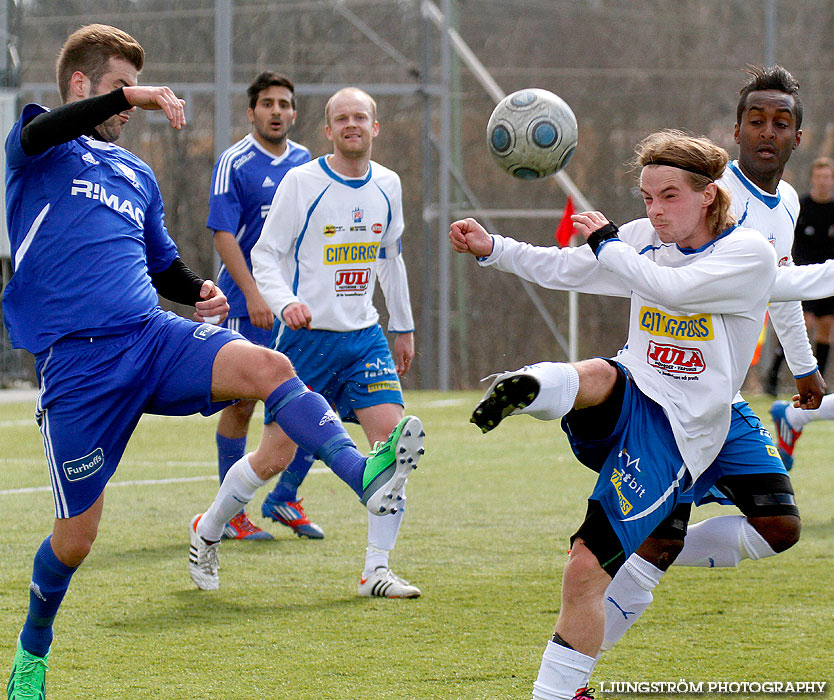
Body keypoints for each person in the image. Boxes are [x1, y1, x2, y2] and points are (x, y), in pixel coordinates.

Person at [3, 25, 424, 699]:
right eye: (116, 89)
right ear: (82, 86)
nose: (125, 106)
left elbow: (161, 263)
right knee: (75, 542)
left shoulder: (135, 174)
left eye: (131, 91)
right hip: (78, 368)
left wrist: (196, 288)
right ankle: (33, 650)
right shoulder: (35, 147)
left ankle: (363, 474)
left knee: (269, 372)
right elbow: (54, 125)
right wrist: (134, 97)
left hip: (150, 335)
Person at [451, 130, 778, 700]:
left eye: (669, 196)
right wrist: (493, 248)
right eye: (647, 198)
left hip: (680, 433)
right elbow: (569, 269)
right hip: (635, 385)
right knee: (602, 374)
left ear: (708, 194)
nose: (654, 211)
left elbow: (671, 290)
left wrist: (607, 241)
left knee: (584, 568)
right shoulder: (639, 240)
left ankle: (557, 690)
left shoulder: (746, 253)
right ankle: (532, 384)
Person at [251, 86, 421, 598]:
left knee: (394, 452)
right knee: (273, 459)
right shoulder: (302, 183)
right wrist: (285, 303)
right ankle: (210, 526)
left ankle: (377, 569)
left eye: (361, 117)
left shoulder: (388, 184)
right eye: (342, 118)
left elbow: (391, 257)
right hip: (306, 341)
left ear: (376, 127)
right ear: (327, 130)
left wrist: (403, 324)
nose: (352, 125)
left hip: (365, 337)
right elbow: (266, 253)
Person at [207, 71, 321, 541]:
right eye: (268, 103)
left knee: (310, 401)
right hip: (244, 303)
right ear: (251, 111)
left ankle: (284, 497)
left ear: (295, 113)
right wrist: (253, 294)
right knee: (242, 406)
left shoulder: (305, 162)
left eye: (285, 104)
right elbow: (223, 234)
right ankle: (229, 511)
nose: (277, 111)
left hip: (293, 304)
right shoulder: (234, 161)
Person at [770, 157, 834, 467]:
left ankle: (797, 411)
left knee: (824, 332)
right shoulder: (799, 204)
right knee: (802, 325)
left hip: (826, 283)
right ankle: (780, 380)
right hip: (803, 278)